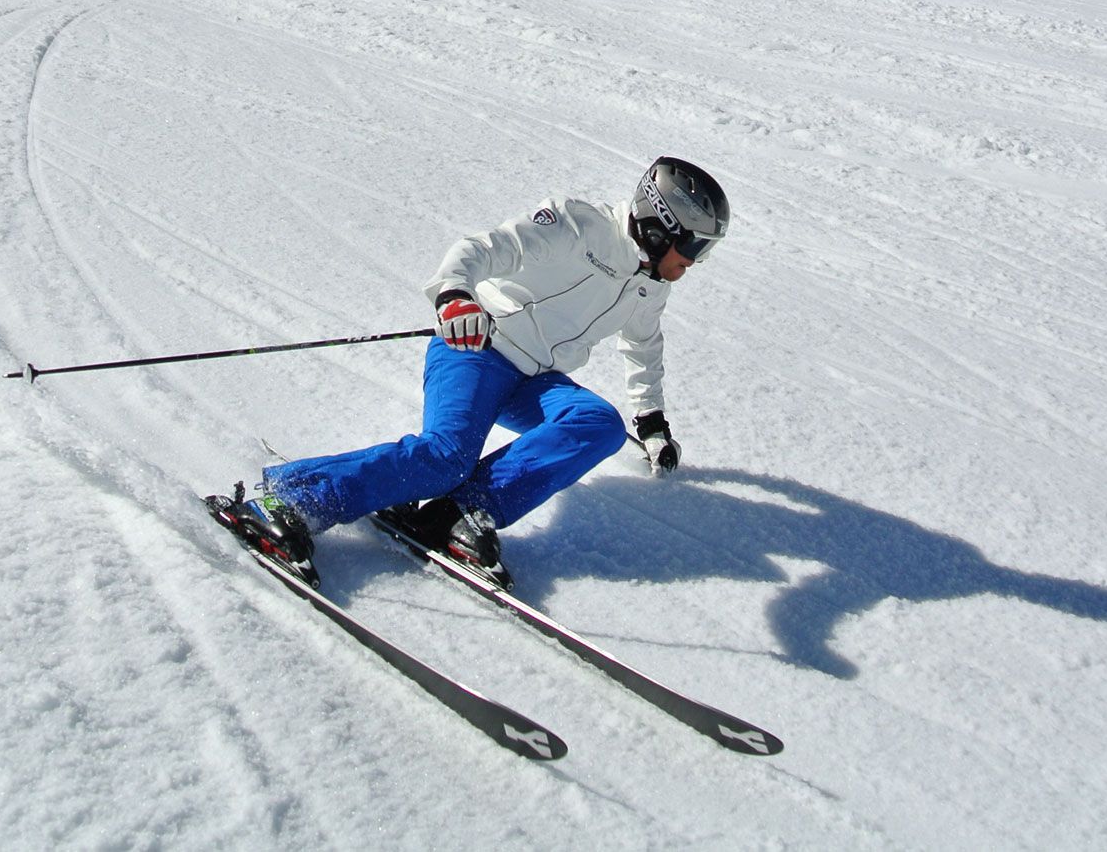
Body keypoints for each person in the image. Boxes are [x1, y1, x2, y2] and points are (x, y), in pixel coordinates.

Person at [207, 156, 731, 590]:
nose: (694, 262)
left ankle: (460, 513)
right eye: (692, 247)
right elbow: (485, 248)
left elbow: (643, 346)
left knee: (598, 425)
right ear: (660, 226)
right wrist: (455, 296)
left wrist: (652, 420)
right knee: (446, 456)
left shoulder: (651, 285)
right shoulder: (579, 225)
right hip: (476, 348)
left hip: (534, 380)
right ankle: (294, 499)